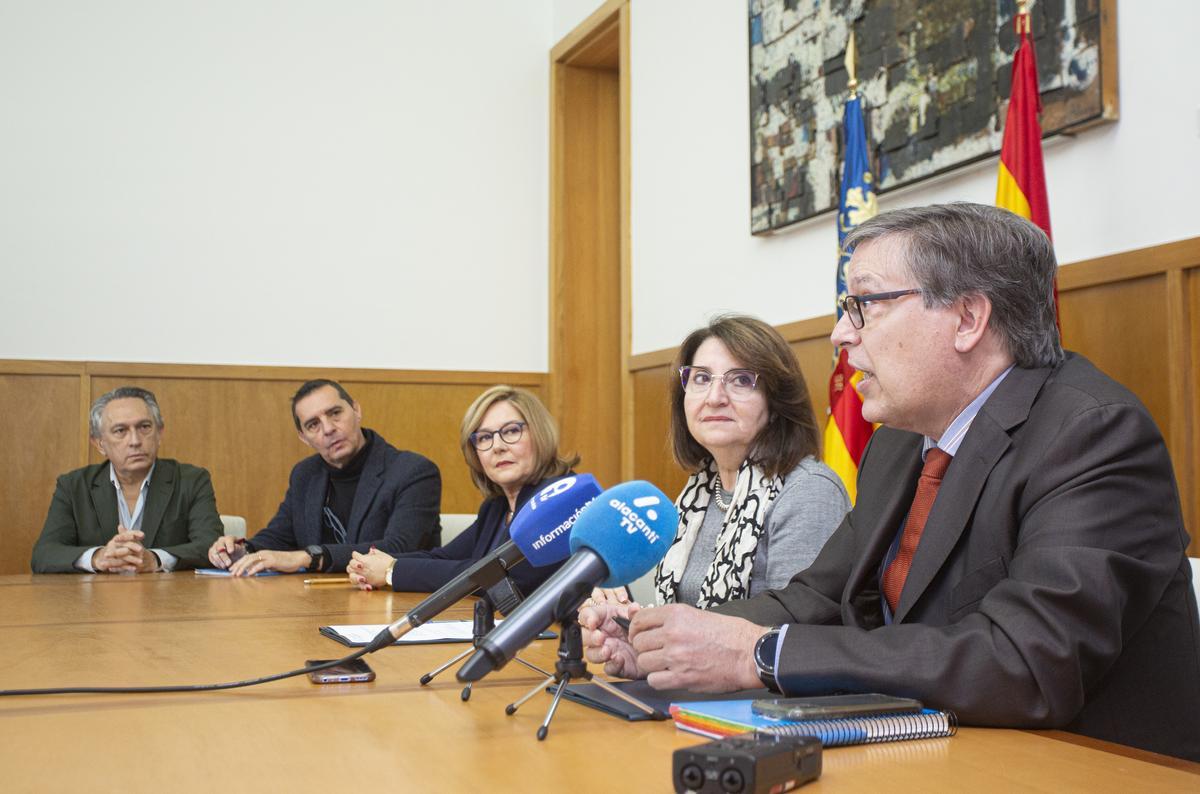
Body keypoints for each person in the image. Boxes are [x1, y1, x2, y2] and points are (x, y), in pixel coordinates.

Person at [581, 203, 1200, 762]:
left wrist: (758, 655)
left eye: (864, 305)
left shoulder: (1093, 434)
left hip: (1085, 768)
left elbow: (1027, 660)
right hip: (933, 755)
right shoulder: (900, 442)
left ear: (967, 318)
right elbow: (816, 600)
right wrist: (667, 639)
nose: (841, 334)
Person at [597, 315, 847, 610]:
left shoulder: (809, 491)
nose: (715, 398)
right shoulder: (699, 493)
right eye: (701, 378)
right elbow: (677, 615)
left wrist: (667, 632)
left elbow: (797, 626)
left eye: (741, 380)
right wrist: (628, 627)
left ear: (777, 402)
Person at [348, 385, 578, 597]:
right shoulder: (497, 507)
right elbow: (444, 557)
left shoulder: (561, 499)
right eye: (485, 437)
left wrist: (392, 571)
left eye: (510, 431)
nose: (498, 447)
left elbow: (501, 577)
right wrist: (371, 563)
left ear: (539, 434)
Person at [206, 379, 440, 576]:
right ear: (303, 437)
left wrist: (311, 557)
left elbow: (399, 548)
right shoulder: (305, 474)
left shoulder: (413, 471)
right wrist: (244, 550)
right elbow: (280, 535)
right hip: (318, 601)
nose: (328, 429)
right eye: (313, 425)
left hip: (394, 603)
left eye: (335, 413)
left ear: (356, 410)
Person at [32, 386, 222, 573]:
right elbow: (44, 555)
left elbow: (212, 548)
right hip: (98, 593)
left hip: (165, 592)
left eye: (144, 427)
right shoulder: (74, 486)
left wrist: (156, 559)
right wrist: (98, 557)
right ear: (99, 443)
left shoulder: (191, 481)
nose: (135, 441)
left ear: (159, 433)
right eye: (120, 430)